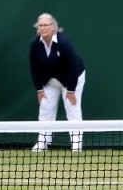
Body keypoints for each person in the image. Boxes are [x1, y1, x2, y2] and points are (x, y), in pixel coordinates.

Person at [29, 13, 86, 152]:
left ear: (53, 27)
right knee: (45, 109)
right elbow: (34, 67)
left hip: (72, 79)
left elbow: (72, 67)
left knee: (72, 109)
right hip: (50, 82)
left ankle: (76, 144)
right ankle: (43, 142)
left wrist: (71, 91)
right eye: (40, 25)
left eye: (46, 25)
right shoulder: (35, 44)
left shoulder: (64, 43)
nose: (43, 28)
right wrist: (39, 90)